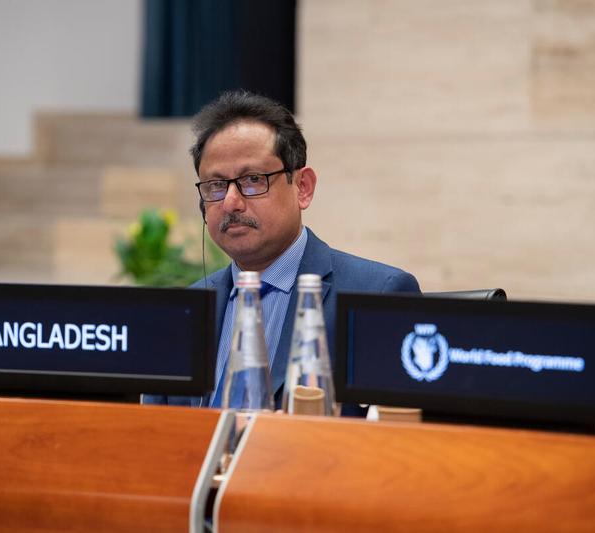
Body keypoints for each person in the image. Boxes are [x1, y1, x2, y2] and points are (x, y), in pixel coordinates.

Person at [144, 90, 420, 411]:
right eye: (216, 185)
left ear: (303, 188)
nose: (231, 202)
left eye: (253, 179)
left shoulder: (378, 296)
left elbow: (403, 433)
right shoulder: (183, 313)